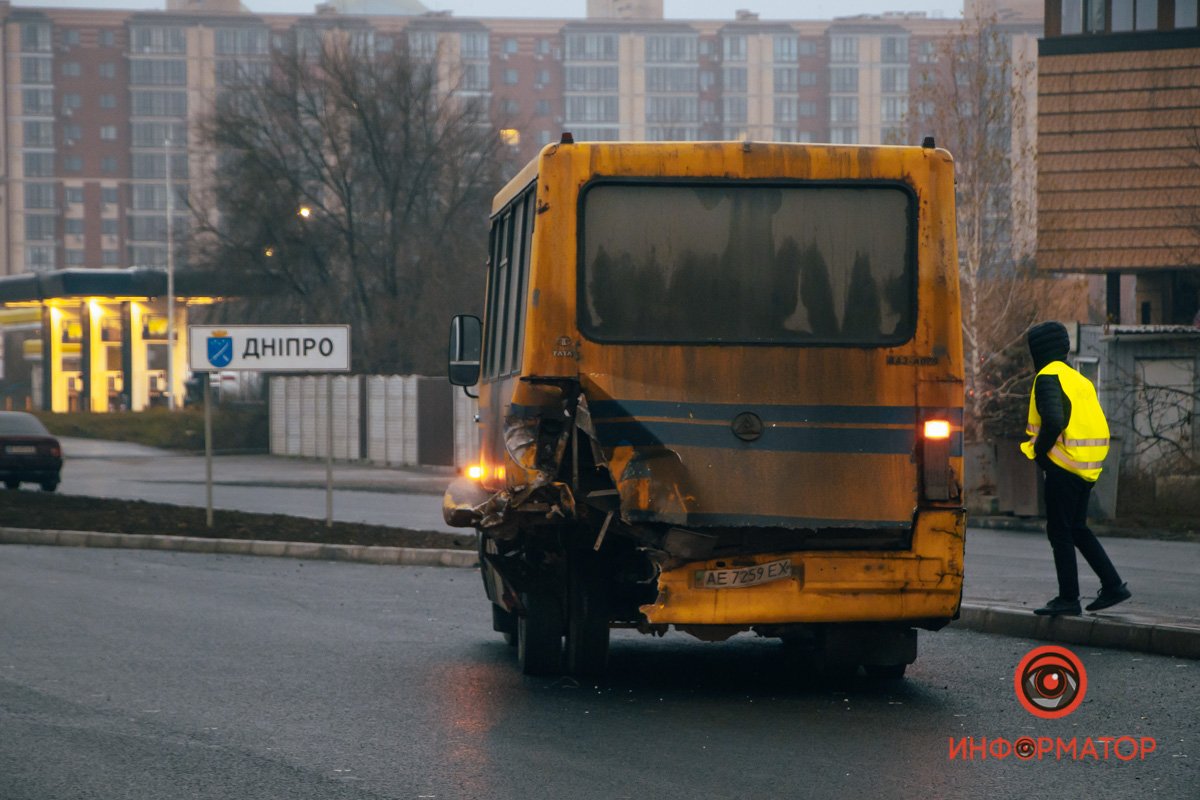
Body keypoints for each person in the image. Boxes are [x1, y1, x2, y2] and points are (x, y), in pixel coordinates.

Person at [1021, 321, 1131, 616]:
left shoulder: (1047, 377)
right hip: (1086, 469)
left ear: (1038, 350)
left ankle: (1068, 599)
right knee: (1078, 529)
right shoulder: (1078, 379)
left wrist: (1041, 454)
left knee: (1060, 532)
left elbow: (1054, 421)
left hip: (1062, 466)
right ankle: (1113, 585)